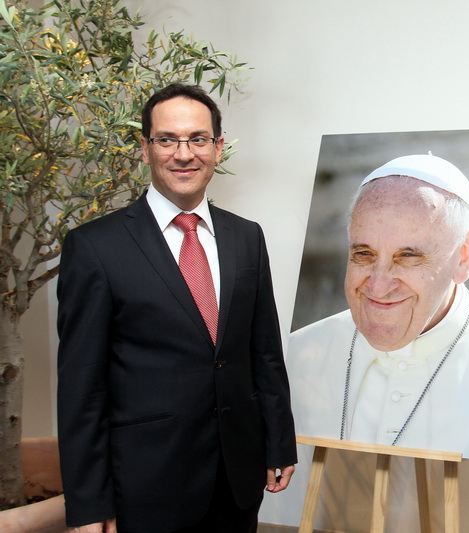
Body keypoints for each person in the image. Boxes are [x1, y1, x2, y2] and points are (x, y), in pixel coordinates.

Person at [56, 83, 297, 533]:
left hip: (236, 478)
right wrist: (88, 503)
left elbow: (264, 352)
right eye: (167, 140)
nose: (183, 154)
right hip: (147, 484)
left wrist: (279, 442)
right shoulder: (94, 247)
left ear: (218, 147)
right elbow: (81, 390)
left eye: (198, 139)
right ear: (145, 149)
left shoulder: (247, 237)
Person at [288, 154, 469, 461]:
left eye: (408, 257)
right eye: (363, 254)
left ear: (465, 256)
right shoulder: (295, 355)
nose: (378, 287)